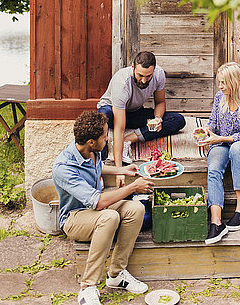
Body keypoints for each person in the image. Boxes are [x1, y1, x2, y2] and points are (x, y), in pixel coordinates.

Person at [52, 110, 154, 305]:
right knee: (109, 217)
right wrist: (133, 187)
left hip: (95, 209)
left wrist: (122, 170)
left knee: (136, 209)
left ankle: (116, 275)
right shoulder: (64, 168)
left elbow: (97, 168)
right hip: (75, 217)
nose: (107, 138)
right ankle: (88, 287)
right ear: (91, 141)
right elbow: (98, 202)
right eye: (104, 135)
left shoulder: (92, 152)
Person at [199, 62, 240, 245]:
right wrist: (208, 130)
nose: (220, 87)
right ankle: (216, 222)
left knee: (237, 148)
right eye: (219, 82)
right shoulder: (221, 97)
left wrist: (221, 138)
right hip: (221, 143)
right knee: (214, 168)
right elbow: (213, 121)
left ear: (235, 82)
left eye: (223, 83)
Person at [97, 51, 186, 167]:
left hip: (134, 112)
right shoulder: (122, 82)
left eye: (148, 76)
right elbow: (119, 128)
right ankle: (100, 164)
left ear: (154, 70)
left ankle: (126, 141)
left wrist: (157, 119)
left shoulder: (159, 74)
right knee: (101, 123)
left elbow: (160, 102)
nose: (144, 81)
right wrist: (119, 170)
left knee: (177, 119)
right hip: (112, 112)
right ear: (133, 67)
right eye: (140, 75)